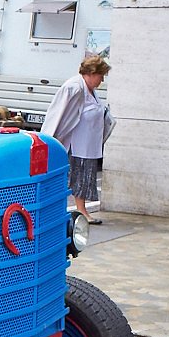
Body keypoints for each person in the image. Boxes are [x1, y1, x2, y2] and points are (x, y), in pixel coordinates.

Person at [41, 54, 113, 225]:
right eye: (100, 76)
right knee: (74, 177)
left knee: (83, 178)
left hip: (87, 145)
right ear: (91, 73)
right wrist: (50, 139)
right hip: (75, 144)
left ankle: (82, 209)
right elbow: (59, 114)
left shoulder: (90, 90)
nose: (101, 80)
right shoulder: (74, 88)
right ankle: (76, 210)